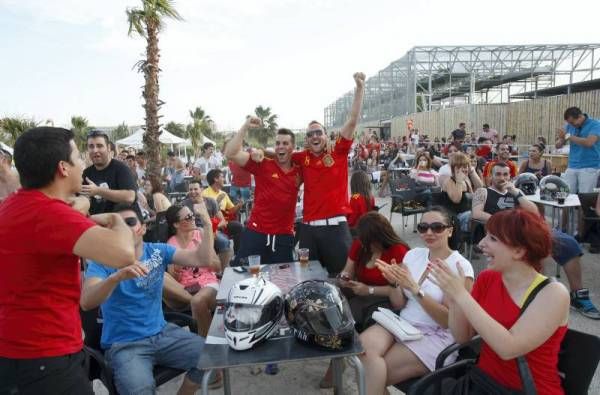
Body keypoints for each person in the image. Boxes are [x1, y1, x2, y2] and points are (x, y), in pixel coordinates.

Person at [0, 127, 136, 394]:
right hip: (44, 358)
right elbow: (124, 253)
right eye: (78, 156)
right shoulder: (49, 215)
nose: (84, 162)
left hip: (17, 349)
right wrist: (116, 219)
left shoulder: (15, 204)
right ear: (63, 167)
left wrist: (82, 206)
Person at [81, 202, 219, 395]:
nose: (124, 228)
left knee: (211, 356)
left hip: (162, 333)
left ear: (143, 228)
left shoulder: (157, 251)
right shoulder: (103, 261)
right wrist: (116, 277)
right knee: (140, 390)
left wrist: (207, 223)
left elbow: (203, 259)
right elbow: (87, 301)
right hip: (125, 345)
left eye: (130, 221)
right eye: (117, 223)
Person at [430, 209, 569, 395]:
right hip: (482, 381)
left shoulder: (553, 293)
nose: (481, 244)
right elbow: (463, 337)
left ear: (519, 251)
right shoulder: (488, 278)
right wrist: (455, 299)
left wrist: (462, 295)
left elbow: (508, 348)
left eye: (493, 239)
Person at [358, 207, 474, 394]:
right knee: (361, 351)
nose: (429, 232)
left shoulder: (460, 266)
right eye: (423, 227)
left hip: (435, 335)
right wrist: (395, 283)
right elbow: (399, 304)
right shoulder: (413, 255)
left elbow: (447, 321)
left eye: (437, 227)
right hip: (402, 323)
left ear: (450, 230)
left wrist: (415, 289)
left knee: (371, 373)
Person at [473, 162, 600, 319]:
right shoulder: (483, 191)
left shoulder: (516, 192)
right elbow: (476, 213)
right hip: (500, 233)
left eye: (505, 174)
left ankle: (578, 295)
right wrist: (504, 223)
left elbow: (534, 212)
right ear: (490, 176)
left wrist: (516, 193)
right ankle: (537, 294)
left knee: (568, 242)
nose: (502, 178)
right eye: (498, 174)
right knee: (531, 249)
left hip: (525, 230)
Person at [287, 72, 366, 275]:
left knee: (344, 280)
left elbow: (352, 120)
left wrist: (359, 88)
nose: (315, 136)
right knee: (308, 280)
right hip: (308, 230)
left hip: (336, 228)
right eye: (310, 133)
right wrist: (258, 154)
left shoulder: (337, 150)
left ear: (325, 135)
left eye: (318, 132)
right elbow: (280, 154)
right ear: (306, 139)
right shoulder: (301, 157)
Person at [225, 118, 300, 264]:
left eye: (285, 143)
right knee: (243, 278)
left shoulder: (300, 169)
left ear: (293, 147)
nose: (280, 147)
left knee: (283, 282)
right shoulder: (263, 164)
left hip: (283, 237)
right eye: (277, 143)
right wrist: (245, 125)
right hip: (256, 232)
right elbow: (230, 153)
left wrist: (263, 151)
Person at [162, 204, 220, 337]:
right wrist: (176, 270)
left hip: (207, 283)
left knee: (197, 301)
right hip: (185, 289)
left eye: (193, 215)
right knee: (161, 277)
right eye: (188, 217)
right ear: (176, 224)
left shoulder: (200, 234)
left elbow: (218, 266)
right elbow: (175, 279)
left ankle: (206, 343)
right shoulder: (171, 244)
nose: (193, 218)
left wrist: (204, 254)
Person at [82, 130, 137, 214]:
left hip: (121, 224)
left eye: (99, 146)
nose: (95, 150)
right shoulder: (86, 173)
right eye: (91, 146)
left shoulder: (121, 169)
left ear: (108, 148)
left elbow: (130, 197)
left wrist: (98, 191)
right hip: (96, 224)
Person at [182, 180, 233, 269]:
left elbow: (223, 221)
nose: (193, 192)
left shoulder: (211, 202)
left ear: (201, 189)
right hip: (193, 232)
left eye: (195, 189)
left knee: (224, 242)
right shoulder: (185, 204)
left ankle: (223, 271)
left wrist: (213, 229)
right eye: (190, 189)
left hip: (211, 229)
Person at [556, 106, 600, 193]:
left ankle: (583, 207)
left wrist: (568, 136)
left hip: (589, 167)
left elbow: (589, 142)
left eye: (573, 122)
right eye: (569, 123)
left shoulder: (595, 124)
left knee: (584, 196)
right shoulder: (569, 126)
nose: (571, 125)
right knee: (566, 195)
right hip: (572, 166)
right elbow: (558, 145)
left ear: (580, 116)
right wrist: (561, 138)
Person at [202, 168, 244, 253]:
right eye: (222, 177)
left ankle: (237, 254)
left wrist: (239, 205)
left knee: (238, 226)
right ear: (216, 179)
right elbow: (205, 212)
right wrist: (216, 202)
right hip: (212, 223)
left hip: (224, 221)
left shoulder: (223, 194)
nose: (224, 179)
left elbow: (231, 211)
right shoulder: (204, 193)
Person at [441, 152, 483, 232]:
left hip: (467, 214)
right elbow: (456, 199)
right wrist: (459, 181)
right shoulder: (449, 181)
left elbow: (480, 187)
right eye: (459, 167)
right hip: (454, 218)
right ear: (454, 169)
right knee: (475, 215)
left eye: (465, 166)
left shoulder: (466, 179)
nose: (464, 169)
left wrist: (472, 172)